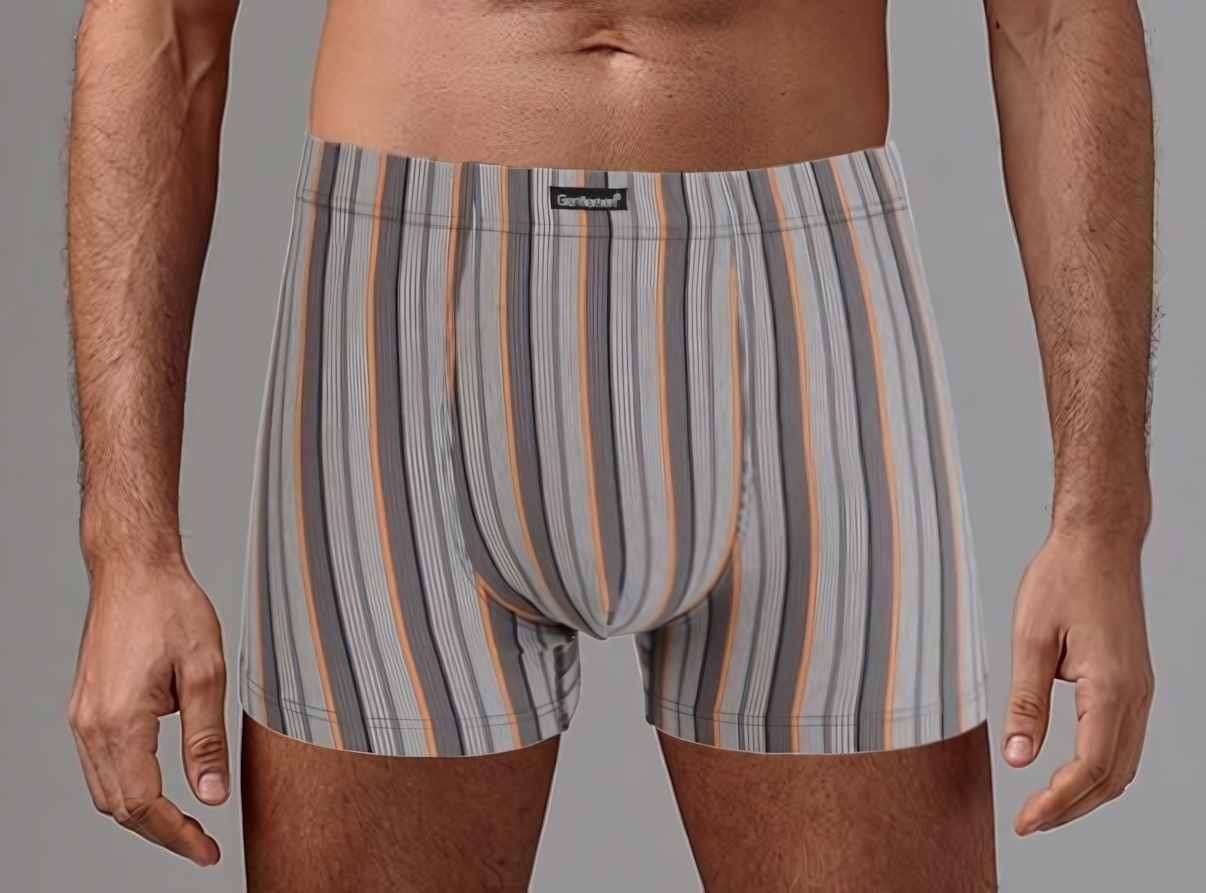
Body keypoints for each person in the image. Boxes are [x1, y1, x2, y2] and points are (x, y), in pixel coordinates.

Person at [64, 0, 1156, 888]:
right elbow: (162, 27)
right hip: (396, 314)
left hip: (802, 303)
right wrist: (128, 549)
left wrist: (1102, 519)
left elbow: (1057, 19)